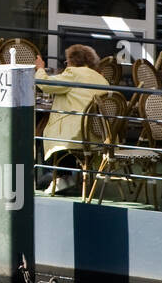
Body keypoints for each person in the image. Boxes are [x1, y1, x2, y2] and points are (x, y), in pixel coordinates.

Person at [34, 44, 110, 194]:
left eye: (66, 62)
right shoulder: (102, 79)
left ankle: (59, 175)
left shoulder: (73, 73)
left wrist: (40, 68)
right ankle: (64, 176)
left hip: (78, 132)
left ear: (72, 61)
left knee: (43, 132)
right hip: (98, 134)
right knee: (55, 128)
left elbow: (45, 84)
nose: (66, 65)